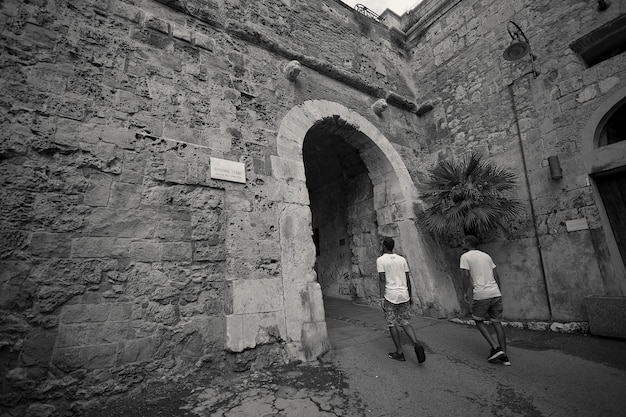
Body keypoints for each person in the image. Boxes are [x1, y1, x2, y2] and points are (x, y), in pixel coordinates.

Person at [460, 235, 511, 366]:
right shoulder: (486, 256)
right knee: (497, 323)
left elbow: (465, 276)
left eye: (463, 242)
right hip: (495, 293)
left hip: (481, 294)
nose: (461, 243)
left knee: (478, 320)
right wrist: (497, 290)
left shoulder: (465, 257)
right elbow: (496, 275)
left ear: (468, 243)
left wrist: (465, 292)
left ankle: (496, 347)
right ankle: (504, 355)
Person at [377, 237, 426, 363]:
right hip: (404, 294)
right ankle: (416, 343)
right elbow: (407, 278)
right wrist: (409, 295)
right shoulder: (402, 259)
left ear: (384, 246)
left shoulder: (381, 260)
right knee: (405, 321)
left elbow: (382, 279)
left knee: (392, 323)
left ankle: (399, 352)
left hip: (390, 296)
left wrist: (381, 297)